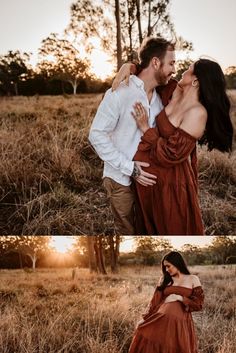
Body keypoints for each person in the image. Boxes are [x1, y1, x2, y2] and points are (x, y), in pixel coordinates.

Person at [113, 59, 233, 235]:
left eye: (189, 70)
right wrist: (129, 66)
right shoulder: (174, 91)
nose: (182, 72)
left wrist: (145, 128)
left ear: (196, 81)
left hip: (171, 185)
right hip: (149, 181)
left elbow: (172, 154)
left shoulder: (198, 113)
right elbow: (153, 76)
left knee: (171, 228)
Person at [89, 37, 176, 234]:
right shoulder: (120, 92)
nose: (174, 69)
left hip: (150, 181)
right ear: (155, 62)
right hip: (121, 180)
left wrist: (130, 65)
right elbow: (96, 135)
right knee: (128, 232)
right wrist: (130, 168)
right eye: (171, 63)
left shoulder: (161, 99)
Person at [129, 251, 204, 353]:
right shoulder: (165, 279)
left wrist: (180, 298)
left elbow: (198, 304)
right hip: (160, 319)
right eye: (165, 267)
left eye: (168, 266)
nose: (166, 270)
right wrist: (145, 318)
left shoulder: (193, 279)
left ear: (177, 263)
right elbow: (154, 302)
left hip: (180, 324)